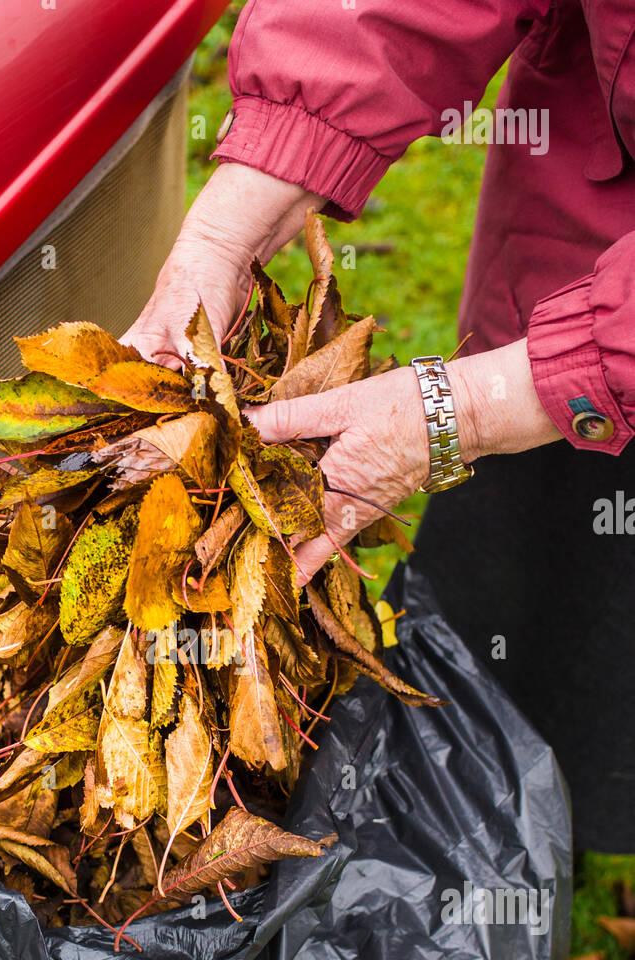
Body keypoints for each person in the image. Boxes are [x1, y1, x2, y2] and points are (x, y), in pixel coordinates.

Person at [123, 0, 635, 852]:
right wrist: (239, 212)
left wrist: (472, 406)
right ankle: (511, 819)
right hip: (576, 238)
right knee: (531, 614)